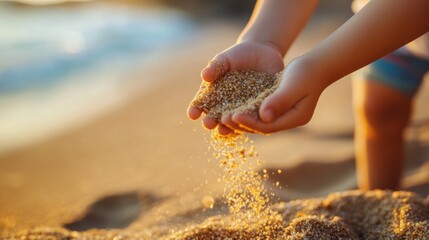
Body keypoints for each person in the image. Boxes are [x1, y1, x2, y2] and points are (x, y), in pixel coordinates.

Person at [187, 0, 429, 191]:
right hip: (379, 26)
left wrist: (318, 68)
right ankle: (381, 201)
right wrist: (263, 40)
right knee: (377, 110)